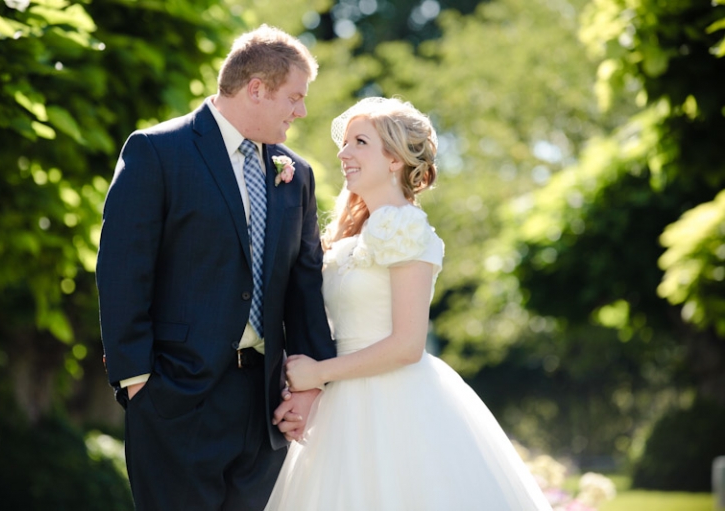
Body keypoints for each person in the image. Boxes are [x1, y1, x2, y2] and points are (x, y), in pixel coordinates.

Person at [264, 97, 553, 510]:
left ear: (395, 159)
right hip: (341, 406)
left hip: (395, 403)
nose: (343, 153)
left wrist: (319, 373)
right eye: (344, 143)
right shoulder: (353, 235)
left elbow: (407, 345)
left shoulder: (406, 227)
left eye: (359, 142)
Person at [96, 25, 335, 511]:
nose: (301, 111)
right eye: (294, 97)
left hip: (265, 411)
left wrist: (309, 389)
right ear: (256, 89)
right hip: (174, 402)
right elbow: (123, 269)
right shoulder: (157, 152)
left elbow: (305, 286)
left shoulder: (297, 175)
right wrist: (137, 382)